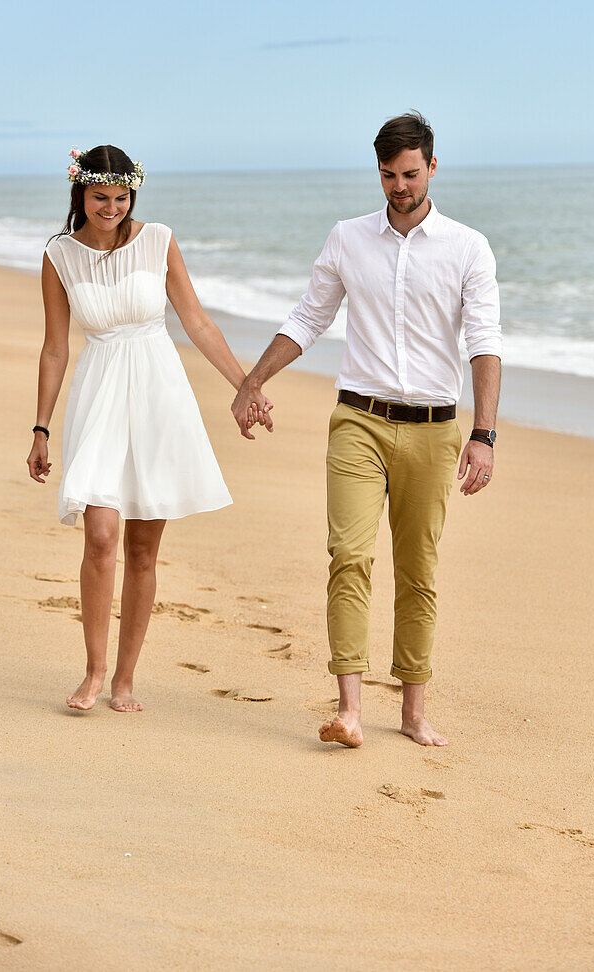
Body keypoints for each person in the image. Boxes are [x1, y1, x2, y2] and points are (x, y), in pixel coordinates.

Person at [232, 112, 501, 748]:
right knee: (349, 556)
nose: (399, 187)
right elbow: (308, 316)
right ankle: (349, 709)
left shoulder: (468, 247)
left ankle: (412, 710)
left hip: (435, 431)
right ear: (377, 171)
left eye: (410, 174)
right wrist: (252, 381)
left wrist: (483, 436)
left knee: (418, 569)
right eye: (388, 175)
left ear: (432, 167)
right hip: (359, 420)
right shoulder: (348, 238)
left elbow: (484, 344)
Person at [27, 145, 267, 712]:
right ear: (79, 195)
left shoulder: (158, 239)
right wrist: (39, 428)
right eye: (99, 197)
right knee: (101, 533)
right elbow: (55, 349)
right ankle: (93, 669)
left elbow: (197, 321)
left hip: (158, 392)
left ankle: (125, 680)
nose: (111, 207)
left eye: (120, 196)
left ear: (133, 193)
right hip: (99, 392)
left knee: (141, 546)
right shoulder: (59, 256)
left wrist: (245, 383)